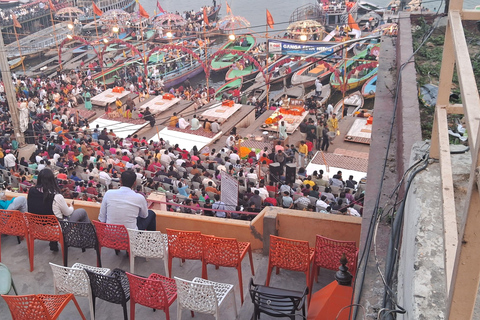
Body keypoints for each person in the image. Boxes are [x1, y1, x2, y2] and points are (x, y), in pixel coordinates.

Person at [27, 169, 90, 251]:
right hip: (55, 230)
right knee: (82, 212)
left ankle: (53, 243)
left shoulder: (31, 191)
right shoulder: (56, 196)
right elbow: (67, 213)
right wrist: (71, 206)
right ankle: (87, 239)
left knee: (52, 214)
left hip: (37, 229)